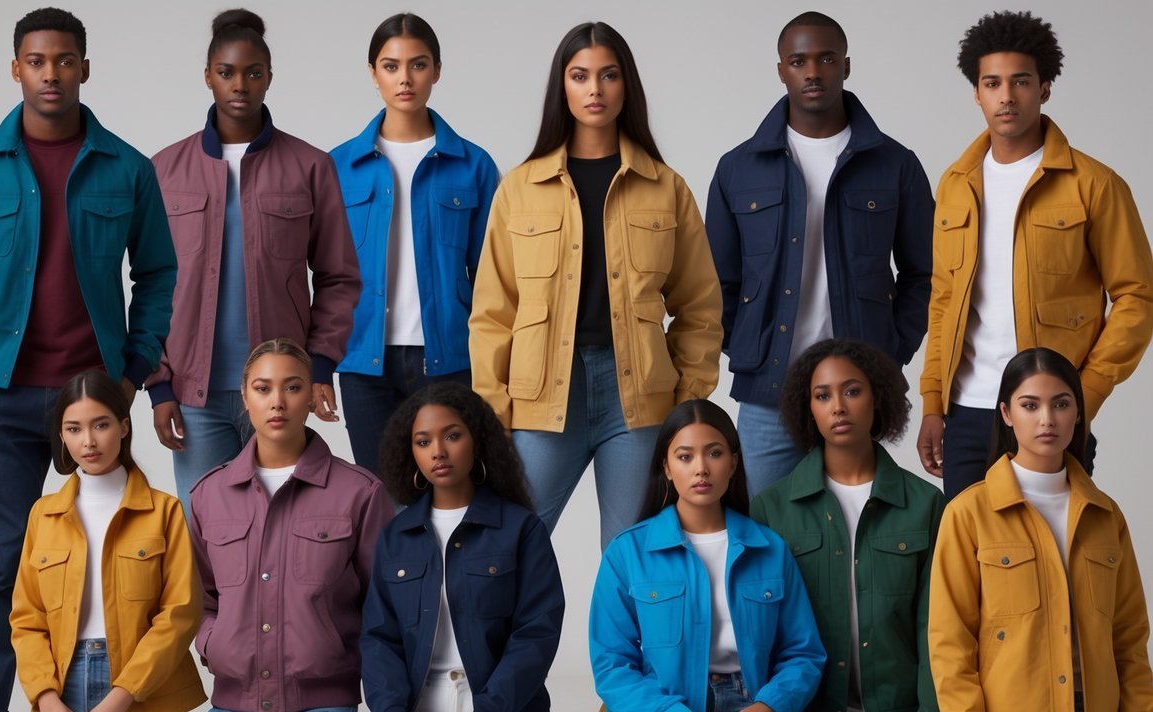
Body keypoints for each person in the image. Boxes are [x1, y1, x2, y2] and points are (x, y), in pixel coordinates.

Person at [0, 7, 177, 712]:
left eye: (64, 60)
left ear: (83, 67)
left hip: (93, 391)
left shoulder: (126, 168)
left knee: (110, 553)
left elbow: (158, 273)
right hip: (4, 394)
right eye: (36, 60)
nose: (50, 73)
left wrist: (136, 369)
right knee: (7, 559)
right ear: (16, 69)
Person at [469, 21, 722, 552]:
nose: (595, 90)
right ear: (563, 86)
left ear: (625, 85)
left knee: (634, 557)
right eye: (580, 76)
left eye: (608, 76)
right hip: (541, 395)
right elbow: (494, 312)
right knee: (507, 549)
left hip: (639, 399)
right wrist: (492, 413)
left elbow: (699, 304)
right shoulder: (520, 187)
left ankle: (622, 642)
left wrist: (686, 401)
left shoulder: (666, 186)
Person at [917, 11, 1153, 499]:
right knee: (971, 561)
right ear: (977, 93)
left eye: (1021, 81)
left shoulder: (1095, 185)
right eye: (993, 83)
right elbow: (943, 299)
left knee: (1053, 561)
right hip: (968, 411)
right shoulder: (956, 185)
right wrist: (934, 402)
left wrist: (1082, 395)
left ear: (1044, 88)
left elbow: (1138, 296)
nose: (1006, 96)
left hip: (1051, 413)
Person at [316, 382, 564, 712]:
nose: (438, 451)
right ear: (409, 451)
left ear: (478, 440)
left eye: (452, 435)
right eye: (423, 441)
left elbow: (535, 640)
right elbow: (378, 641)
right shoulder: (398, 535)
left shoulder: (521, 529)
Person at [706, 11, 934, 498]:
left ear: (846, 66)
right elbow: (714, 282)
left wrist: (889, 353)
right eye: (799, 60)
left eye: (826, 59)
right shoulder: (737, 169)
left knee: (857, 534)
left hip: (859, 391)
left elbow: (926, 274)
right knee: (766, 538)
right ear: (782, 70)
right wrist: (748, 345)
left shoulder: (896, 165)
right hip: (768, 393)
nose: (813, 71)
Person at [928, 347, 1153, 712]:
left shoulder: (1106, 516)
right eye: (1030, 405)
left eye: (1061, 403)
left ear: (1078, 414)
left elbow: (1130, 640)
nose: (1046, 418)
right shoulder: (968, 514)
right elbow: (951, 643)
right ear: (1007, 414)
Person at [590, 399, 838, 712]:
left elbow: (803, 653)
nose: (700, 468)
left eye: (715, 453)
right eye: (685, 456)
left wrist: (768, 707)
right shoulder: (627, 553)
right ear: (667, 468)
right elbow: (611, 667)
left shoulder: (769, 548)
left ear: (734, 463)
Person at [150, 9, 360, 508]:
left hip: (279, 392)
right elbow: (149, 286)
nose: (239, 84)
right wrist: (159, 387)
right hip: (193, 396)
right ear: (208, 77)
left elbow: (339, 277)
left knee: (283, 532)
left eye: (253, 72)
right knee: (208, 541)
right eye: (226, 72)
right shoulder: (164, 169)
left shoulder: (310, 166)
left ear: (269, 77)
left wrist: (318, 368)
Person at [750, 339, 963, 712]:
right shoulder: (772, 509)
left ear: (878, 400)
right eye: (822, 395)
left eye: (852, 391)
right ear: (808, 408)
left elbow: (941, 635)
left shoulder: (925, 505)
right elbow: (763, 637)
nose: (838, 406)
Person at [185, 338, 393, 712]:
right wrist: (214, 644)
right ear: (245, 396)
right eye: (263, 388)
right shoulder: (208, 495)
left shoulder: (359, 493)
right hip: (233, 710)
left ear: (311, 397)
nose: (277, 401)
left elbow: (383, 606)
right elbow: (200, 598)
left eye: (292, 387)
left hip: (319, 710)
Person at [0, 370, 204, 712]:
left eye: (101, 424)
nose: (89, 441)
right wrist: (45, 698)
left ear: (124, 426)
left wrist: (121, 696)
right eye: (74, 428)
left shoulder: (164, 511)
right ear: (61, 436)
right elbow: (26, 620)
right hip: (63, 693)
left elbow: (180, 614)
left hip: (146, 702)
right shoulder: (44, 515)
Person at [330, 13, 499, 477]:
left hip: (449, 359)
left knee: (452, 494)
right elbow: (325, 277)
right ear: (373, 73)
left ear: (437, 71)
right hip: (365, 361)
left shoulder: (474, 165)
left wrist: (496, 369)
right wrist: (319, 364)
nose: (405, 78)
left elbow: (494, 278)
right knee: (384, 499)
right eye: (390, 66)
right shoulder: (338, 166)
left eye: (418, 64)